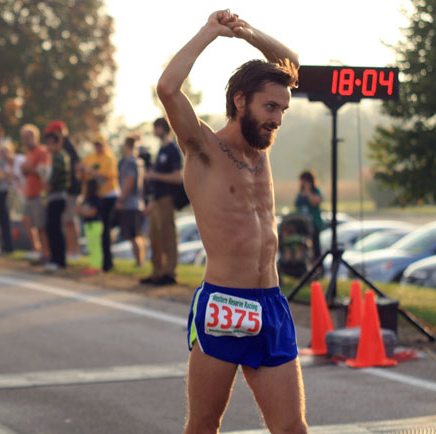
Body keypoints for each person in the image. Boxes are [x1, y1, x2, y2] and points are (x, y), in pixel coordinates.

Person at [157, 10, 306, 434]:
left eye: (283, 109)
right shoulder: (202, 149)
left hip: (272, 304)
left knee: (292, 428)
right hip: (225, 303)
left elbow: (292, 64)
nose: (277, 118)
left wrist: (248, 33)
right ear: (241, 101)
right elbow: (168, 88)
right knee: (204, 424)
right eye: (270, 107)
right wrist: (210, 32)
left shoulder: (262, 152)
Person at [139, 117, 183, 286]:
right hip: (156, 200)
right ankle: (156, 272)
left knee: (168, 236)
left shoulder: (172, 149)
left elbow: (178, 177)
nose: (155, 131)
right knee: (154, 236)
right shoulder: (160, 150)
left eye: (157, 128)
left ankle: (170, 272)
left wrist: (155, 175)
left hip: (167, 199)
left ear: (164, 128)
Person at [44, 120, 81, 260]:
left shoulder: (66, 146)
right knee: (67, 220)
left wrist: (70, 185)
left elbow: (76, 167)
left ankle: (74, 251)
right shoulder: (65, 145)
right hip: (67, 188)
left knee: (70, 220)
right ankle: (71, 250)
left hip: (69, 189)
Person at [81, 136, 119, 272]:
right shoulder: (90, 157)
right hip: (95, 197)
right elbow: (83, 175)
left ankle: (107, 263)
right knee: (96, 233)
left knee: (105, 230)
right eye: (95, 145)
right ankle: (97, 262)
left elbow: (105, 177)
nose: (97, 147)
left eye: (100, 145)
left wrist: (91, 171)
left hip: (108, 196)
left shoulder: (109, 158)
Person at [20, 124, 50, 262]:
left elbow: (42, 171)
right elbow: (27, 171)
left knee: (42, 225)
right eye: (24, 137)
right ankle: (38, 251)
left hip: (39, 193)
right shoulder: (29, 154)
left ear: (35, 137)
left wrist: (28, 168)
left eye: (29, 137)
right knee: (33, 224)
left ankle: (46, 253)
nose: (26, 140)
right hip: (29, 193)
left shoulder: (42, 151)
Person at [116, 136, 146, 267]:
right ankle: (139, 261)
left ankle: (139, 262)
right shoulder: (138, 161)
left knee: (134, 235)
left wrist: (121, 198)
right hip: (137, 202)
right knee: (134, 234)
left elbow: (129, 180)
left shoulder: (130, 162)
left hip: (130, 202)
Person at [44, 132, 71, 271]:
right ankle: (56, 258)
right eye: (47, 143)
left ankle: (59, 260)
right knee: (52, 228)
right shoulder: (55, 157)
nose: (49, 146)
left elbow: (57, 176)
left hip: (58, 195)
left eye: (51, 143)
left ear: (58, 143)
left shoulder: (60, 157)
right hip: (55, 196)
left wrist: (49, 184)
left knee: (54, 228)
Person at [0, 142, 15, 254]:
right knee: (0, 220)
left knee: (5, 220)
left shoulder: (11, 162)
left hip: (6, 192)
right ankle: (4, 245)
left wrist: (2, 175)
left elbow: (6, 176)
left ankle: (8, 246)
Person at [78, 179, 103, 276]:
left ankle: (96, 267)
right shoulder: (87, 199)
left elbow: (92, 212)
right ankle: (93, 265)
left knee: (95, 247)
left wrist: (81, 211)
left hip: (94, 225)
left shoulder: (95, 198)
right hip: (89, 225)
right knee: (91, 247)